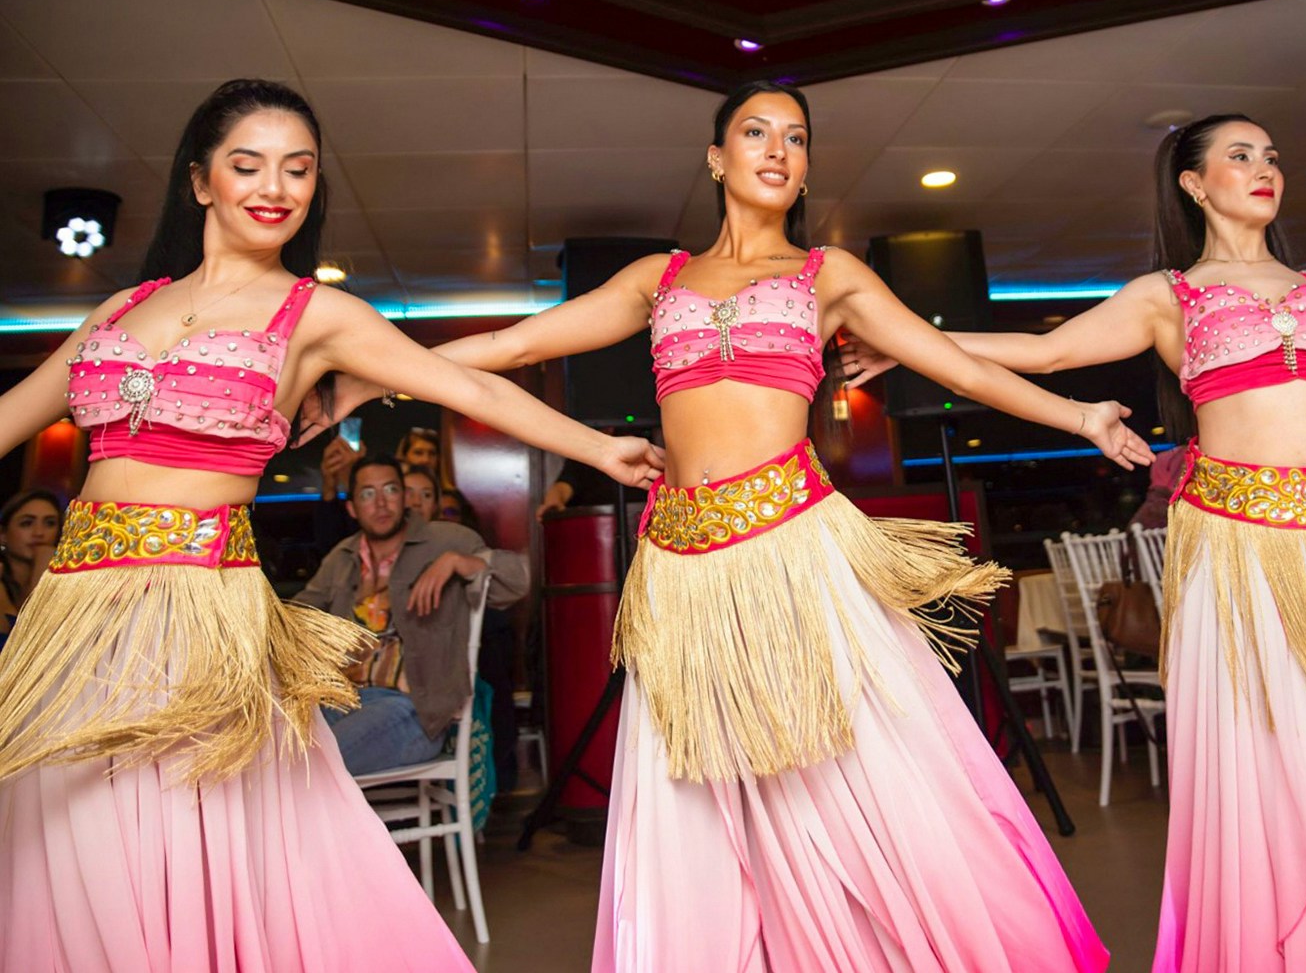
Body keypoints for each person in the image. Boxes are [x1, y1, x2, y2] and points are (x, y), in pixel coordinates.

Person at [308, 80, 1137, 971]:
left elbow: (963, 371)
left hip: (796, 551)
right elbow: (518, 345)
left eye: (796, 137)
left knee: (856, 778)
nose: (778, 150)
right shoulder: (657, 279)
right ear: (717, 158)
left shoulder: (831, 276)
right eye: (755, 132)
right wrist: (375, 373)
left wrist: (1078, 416)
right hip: (682, 566)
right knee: (700, 799)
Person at [843, 114, 1306, 970]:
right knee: (1295, 752)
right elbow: (1046, 352)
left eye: (1271, 155)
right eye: (1239, 156)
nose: (1264, 168)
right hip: (1251, 552)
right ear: (1195, 185)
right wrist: (906, 344)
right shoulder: (1171, 295)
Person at [0, 78, 662, 970]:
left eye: (298, 168)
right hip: (76, 622)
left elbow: (468, 385)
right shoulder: (118, 311)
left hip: (200, 614)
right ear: (200, 181)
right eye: (248, 163)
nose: (274, 185)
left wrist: (597, 446)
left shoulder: (314, 314)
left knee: (201, 847)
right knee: (71, 851)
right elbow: (12, 414)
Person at [297, 456, 528, 774]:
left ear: (404, 497)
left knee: (312, 765)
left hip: (411, 708)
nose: (380, 503)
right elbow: (297, 615)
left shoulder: (446, 540)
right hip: (342, 701)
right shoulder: (342, 557)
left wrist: (458, 562)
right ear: (351, 508)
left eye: (390, 490)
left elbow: (517, 580)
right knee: (275, 744)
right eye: (367, 494)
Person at [0, 489, 62, 655]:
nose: (39, 533)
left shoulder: (66, 583)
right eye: (27, 523)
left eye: (50, 523)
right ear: (3, 535)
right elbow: (20, 645)